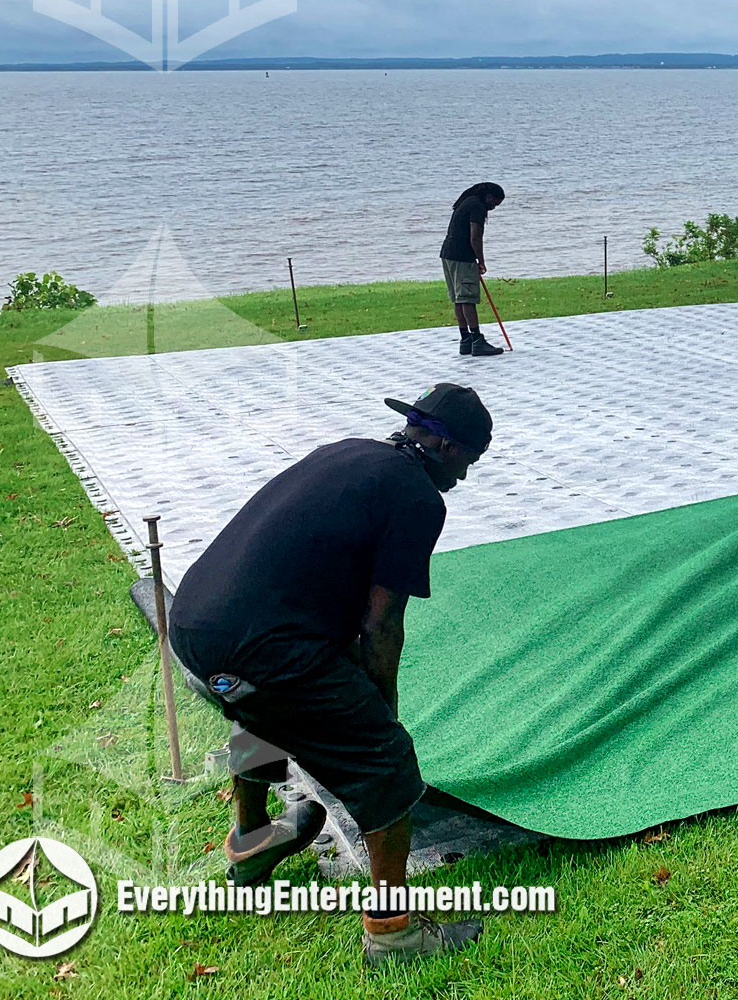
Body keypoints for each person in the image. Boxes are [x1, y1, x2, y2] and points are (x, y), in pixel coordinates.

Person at [169, 383, 494, 965]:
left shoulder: (347, 451)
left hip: (194, 626)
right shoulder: (419, 497)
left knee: (262, 706)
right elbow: (382, 621)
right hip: (260, 647)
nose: (465, 478)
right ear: (447, 448)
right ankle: (393, 933)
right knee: (387, 764)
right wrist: (381, 708)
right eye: (469, 462)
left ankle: (250, 841)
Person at [441, 182, 505, 357]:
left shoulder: (467, 201)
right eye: (494, 203)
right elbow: (475, 236)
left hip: (448, 253)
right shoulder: (477, 206)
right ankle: (477, 341)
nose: (493, 208)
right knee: (467, 298)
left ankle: (465, 340)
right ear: (489, 197)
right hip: (462, 256)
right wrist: (481, 261)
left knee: (459, 299)